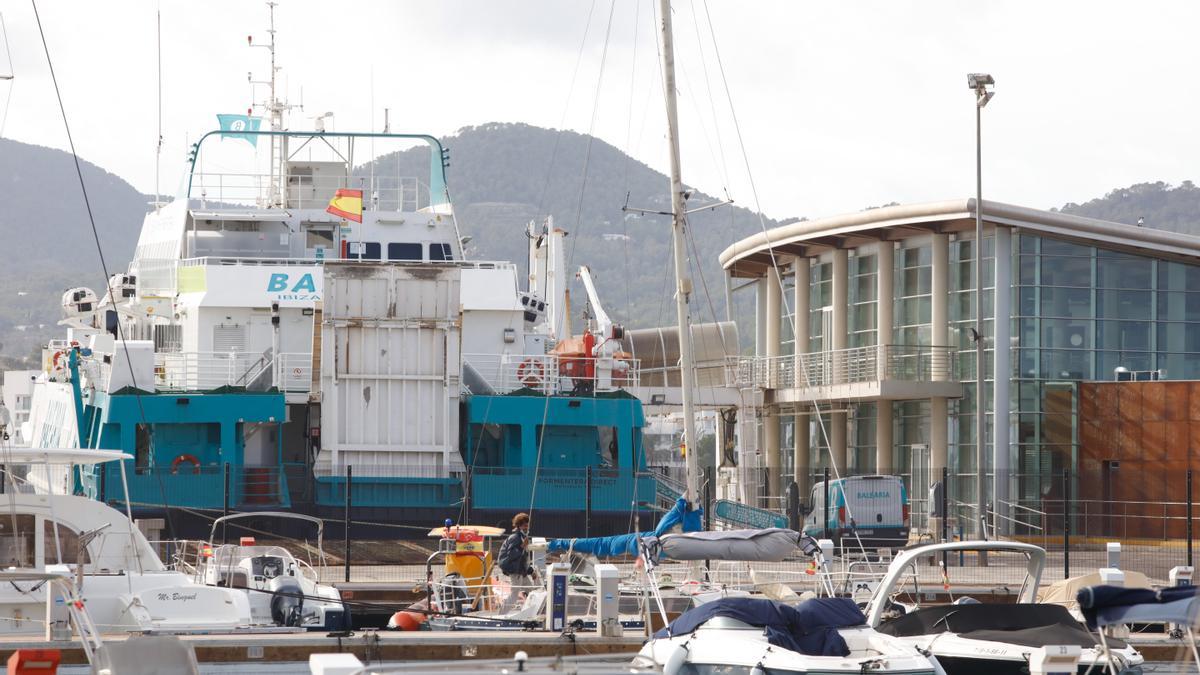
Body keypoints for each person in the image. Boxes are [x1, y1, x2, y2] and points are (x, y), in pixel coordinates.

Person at [497, 512, 536, 612]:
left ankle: (531, 611)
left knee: (532, 591)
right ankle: (501, 614)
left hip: (521, 571)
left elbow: (524, 559)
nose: (526, 527)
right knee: (514, 594)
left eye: (527, 525)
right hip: (515, 571)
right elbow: (511, 555)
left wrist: (531, 571)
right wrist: (522, 546)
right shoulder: (515, 537)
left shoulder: (523, 537)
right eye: (524, 525)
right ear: (519, 526)